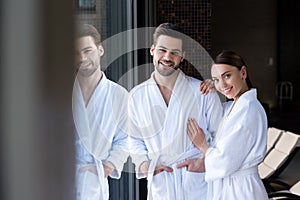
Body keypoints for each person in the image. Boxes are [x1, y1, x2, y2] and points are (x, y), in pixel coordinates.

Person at [128, 22, 223, 200]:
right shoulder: (137, 96)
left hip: (197, 181)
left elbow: (222, 136)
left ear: (182, 57)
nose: (167, 57)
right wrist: (143, 165)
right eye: (162, 50)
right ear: (152, 50)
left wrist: (203, 162)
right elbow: (134, 138)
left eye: (174, 52)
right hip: (161, 182)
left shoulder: (202, 92)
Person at [187, 50, 268, 200]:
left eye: (227, 76)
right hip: (233, 186)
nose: (222, 84)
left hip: (241, 190)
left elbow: (224, 161)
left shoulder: (248, 111)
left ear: (243, 73)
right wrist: (213, 88)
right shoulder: (234, 107)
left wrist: (202, 145)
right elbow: (219, 114)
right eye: (216, 79)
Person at [72, 24, 129, 200]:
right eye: (76, 53)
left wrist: (108, 166)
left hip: (95, 183)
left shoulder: (119, 95)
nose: (82, 58)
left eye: (87, 50)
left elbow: (126, 138)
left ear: (100, 50)